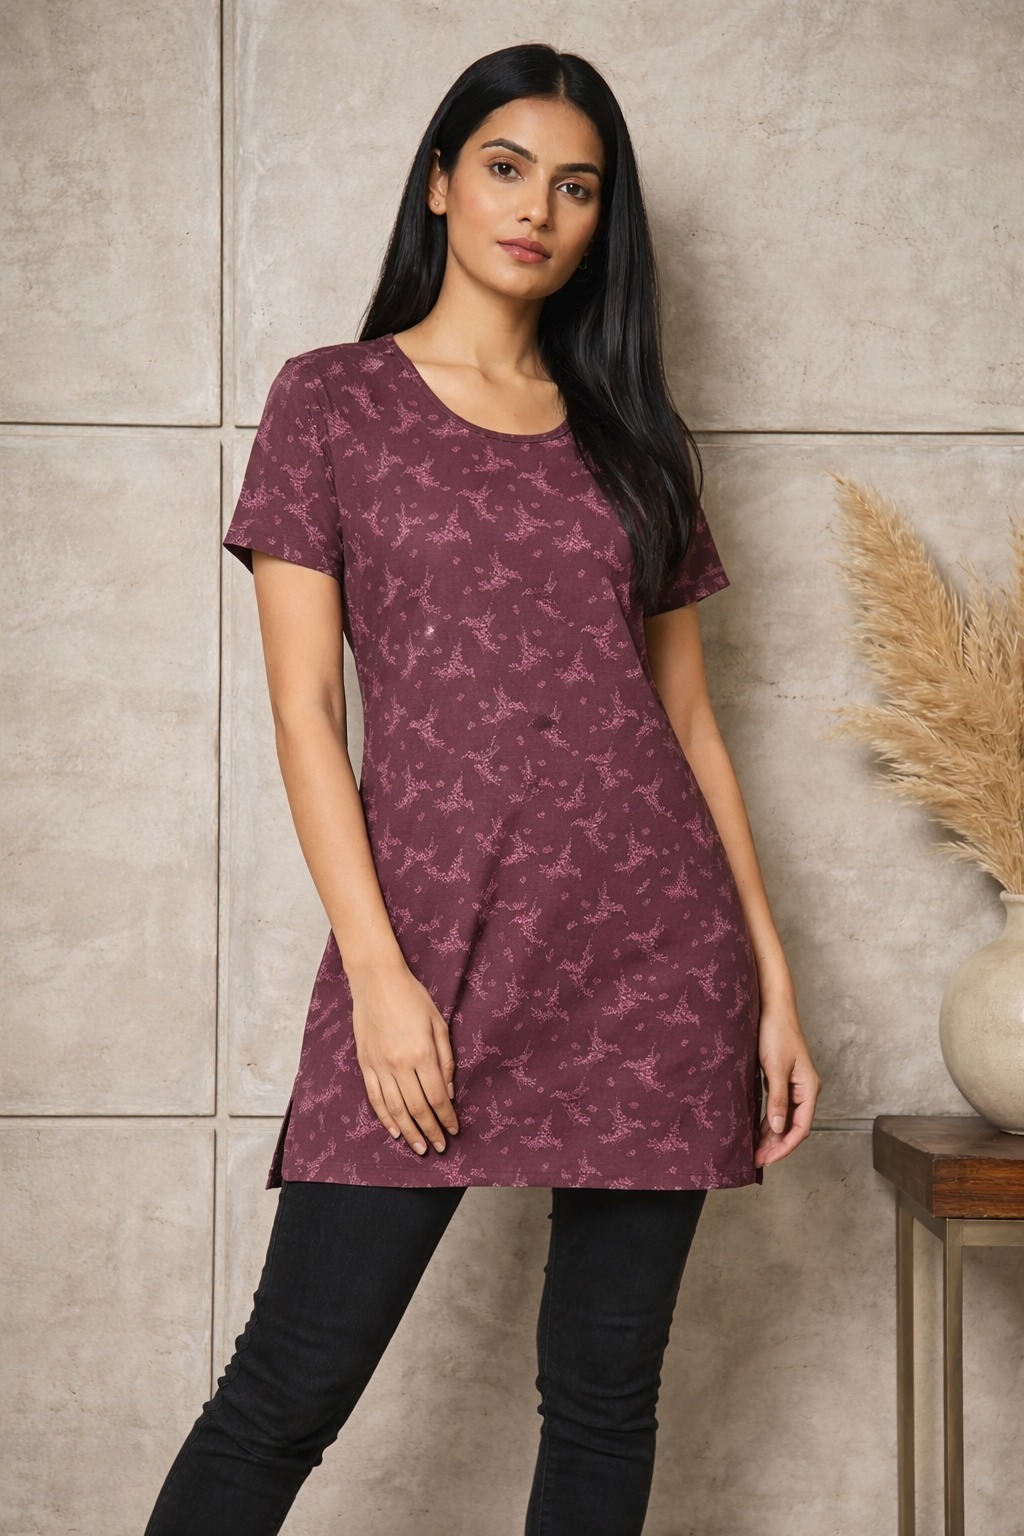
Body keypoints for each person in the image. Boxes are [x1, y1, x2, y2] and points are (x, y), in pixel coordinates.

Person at [143, 40, 821, 1536]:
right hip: (432, 951)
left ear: (602, 221)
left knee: (603, 1405)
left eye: (577, 187)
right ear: (442, 181)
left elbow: (691, 725)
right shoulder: (332, 401)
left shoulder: (636, 434)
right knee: (283, 1391)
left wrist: (774, 987)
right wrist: (379, 979)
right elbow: (308, 714)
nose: (538, 209)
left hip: (654, 960)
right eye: (508, 169)